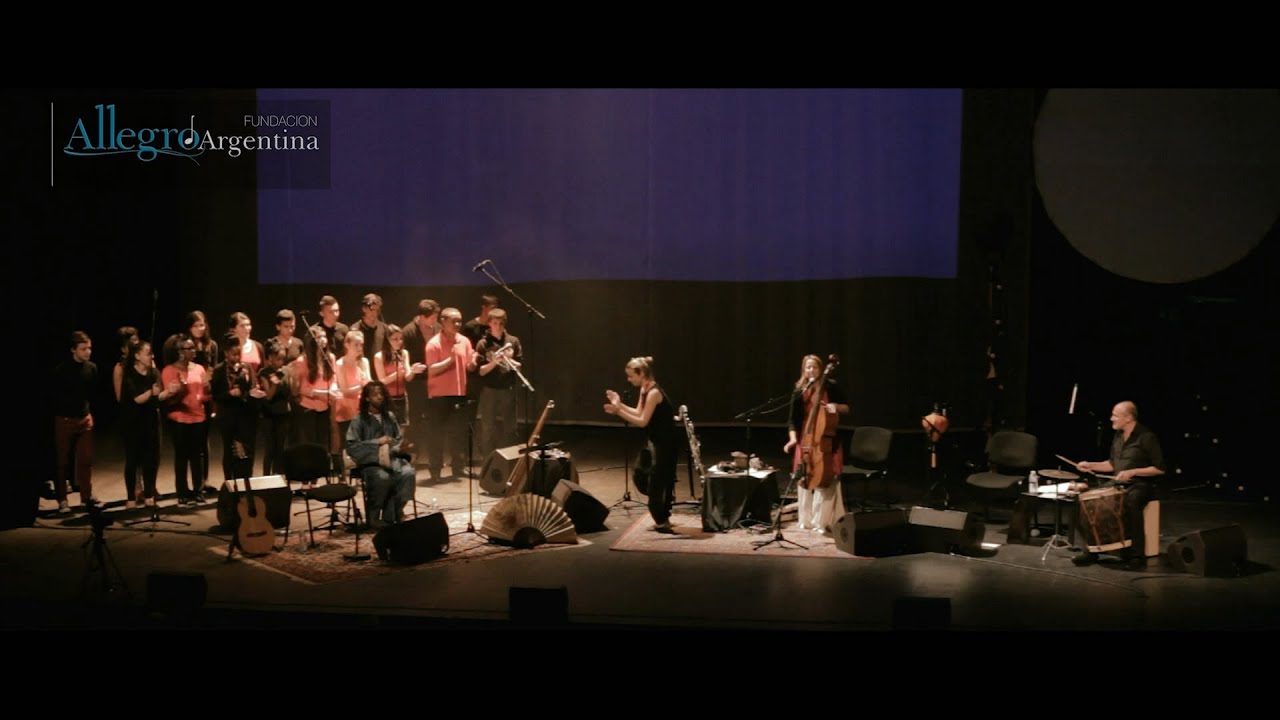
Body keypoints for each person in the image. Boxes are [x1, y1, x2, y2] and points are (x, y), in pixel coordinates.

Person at [1072, 400, 1165, 566]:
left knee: (1131, 502)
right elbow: (1112, 465)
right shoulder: (1118, 436)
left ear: (1128, 417)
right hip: (1119, 483)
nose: (1111, 418)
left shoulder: (1146, 437)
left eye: (1115, 415)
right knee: (1089, 500)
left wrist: (1133, 471)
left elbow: (1160, 468)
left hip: (1141, 484)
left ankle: (1137, 555)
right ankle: (1092, 551)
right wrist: (1090, 465)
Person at [604, 357, 678, 533]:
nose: (629, 380)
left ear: (642, 374)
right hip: (656, 441)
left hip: (666, 443)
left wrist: (618, 411)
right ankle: (663, 518)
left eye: (631, 376)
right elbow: (638, 412)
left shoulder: (654, 393)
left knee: (657, 483)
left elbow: (642, 421)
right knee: (645, 476)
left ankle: (662, 520)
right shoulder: (645, 389)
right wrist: (619, 404)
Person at [782, 355, 848, 535]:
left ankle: (823, 521)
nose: (811, 371)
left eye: (814, 368)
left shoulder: (830, 385)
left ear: (820, 369)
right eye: (807, 368)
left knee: (824, 481)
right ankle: (805, 520)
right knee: (804, 479)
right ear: (804, 370)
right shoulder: (799, 390)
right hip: (805, 439)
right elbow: (792, 420)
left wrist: (835, 406)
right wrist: (793, 439)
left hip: (826, 440)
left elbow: (846, 407)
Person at [346, 381, 416, 529]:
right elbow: (352, 446)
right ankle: (373, 516)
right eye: (375, 394)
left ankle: (394, 512)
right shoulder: (359, 420)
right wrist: (377, 442)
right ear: (367, 398)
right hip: (371, 462)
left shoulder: (389, 417)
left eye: (381, 394)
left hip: (392, 459)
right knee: (382, 477)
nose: (380, 397)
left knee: (408, 473)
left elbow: (397, 439)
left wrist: (400, 447)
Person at [425, 308, 477, 480]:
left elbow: (469, 365)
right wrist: (450, 360)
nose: (457, 324)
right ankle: (435, 471)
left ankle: (458, 468)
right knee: (436, 434)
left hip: (459, 393)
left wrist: (473, 362)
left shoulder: (465, 341)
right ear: (443, 322)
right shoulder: (433, 343)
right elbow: (431, 370)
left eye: (459, 321)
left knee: (458, 433)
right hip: (439, 396)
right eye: (454, 321)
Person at [161, 335, 211, 506]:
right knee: (182, 456)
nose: (194, 351)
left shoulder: (199, 369)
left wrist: (206, 391)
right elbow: (167, 398)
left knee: (198, 456)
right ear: (180, 352)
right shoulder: (169, 371)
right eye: (189, 348)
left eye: (193, 348)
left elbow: (205, 394)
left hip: (198, 417)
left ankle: (198, 491)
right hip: (179, 418)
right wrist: (180, 390)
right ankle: (182, 492)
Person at [53, 331, 98, 513]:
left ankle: (86, 497)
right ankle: (62, 499)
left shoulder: (92, 368)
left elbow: (93, 393)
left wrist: (89, 414)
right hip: (65, 419)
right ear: (73, 350)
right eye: (83, 348)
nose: (88, 352)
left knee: (86, 460)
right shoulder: (61, 370)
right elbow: (54, 397)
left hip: (84, 418)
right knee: (62, 462)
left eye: (89, 348)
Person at [120, 339, 165, 507]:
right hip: (133, 423)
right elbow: (137, 399)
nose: (151, 356)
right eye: (148, 353)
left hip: (151, 421)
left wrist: (168, 392)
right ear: (137, 356)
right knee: (132, 461)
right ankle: (131, 497)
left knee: (150, 460)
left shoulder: (154, 373)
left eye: (151, 353)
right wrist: (151, 392)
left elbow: (158, 395)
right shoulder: (129, 374)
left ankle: (149, 495)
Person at [474, 308, 523, 460]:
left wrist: (509, 358)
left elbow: (519, 366)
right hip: (490, 390)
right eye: (495, 323)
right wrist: (495, 362)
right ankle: (488, 460)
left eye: (501, 323)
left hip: (507, 389)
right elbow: (481, 371)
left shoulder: (513, 341)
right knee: (488, 427)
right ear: (489, 324)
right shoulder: (483, 343)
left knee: (510, 427)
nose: (499, 326)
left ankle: (511, 459)